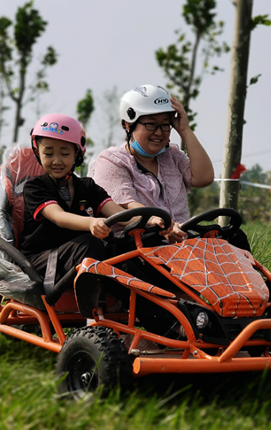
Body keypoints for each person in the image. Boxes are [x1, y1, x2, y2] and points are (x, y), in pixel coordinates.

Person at [20, 113, 164, 304]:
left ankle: (167, 318)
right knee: (91, 243)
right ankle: (95, 312)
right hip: (43, 261)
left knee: (120, 251)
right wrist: (91, 222)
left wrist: (150, 220)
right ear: (38, 153)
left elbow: (117, 214)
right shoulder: (35, 187)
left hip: (80, 258)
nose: (56, 160)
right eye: (48, 153)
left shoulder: (88, 187)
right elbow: (58, 216)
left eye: (64, 153)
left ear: (77, 154)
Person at [90, 84, 215, 244]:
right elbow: (127, 206)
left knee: (235, 237)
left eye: (165, 125)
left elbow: (204, 178)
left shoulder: (173, 155)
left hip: (182, 241)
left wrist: (185, 130)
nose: (159, 132)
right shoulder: (111, 161)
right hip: (138, 244)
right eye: (151, 124)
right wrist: (167, 227)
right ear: (128, 125)